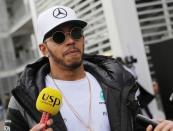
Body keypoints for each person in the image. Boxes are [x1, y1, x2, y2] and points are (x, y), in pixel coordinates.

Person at [3, 5, 173, 131]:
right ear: (43, 49)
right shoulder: (24, 98)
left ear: (83, 39)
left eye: (76, 33)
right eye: (59, 36)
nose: (70, 41)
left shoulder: (116, 83)